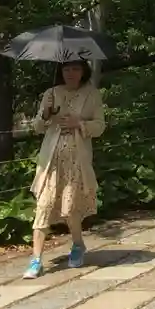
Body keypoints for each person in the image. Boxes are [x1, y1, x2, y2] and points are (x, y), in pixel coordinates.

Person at [25, 58, 106, 277]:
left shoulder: (92, 94)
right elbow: (37, 127)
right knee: (43, 205)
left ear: (83, 71)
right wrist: (46, 113)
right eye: (67, 69)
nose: (71, 73)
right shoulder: (51, 93)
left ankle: (78, 244)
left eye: (75, 69)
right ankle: (36, 259)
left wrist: (79, 123)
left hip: (76, 161)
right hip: (51, 161)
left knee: (70, 210)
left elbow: (100, 126)